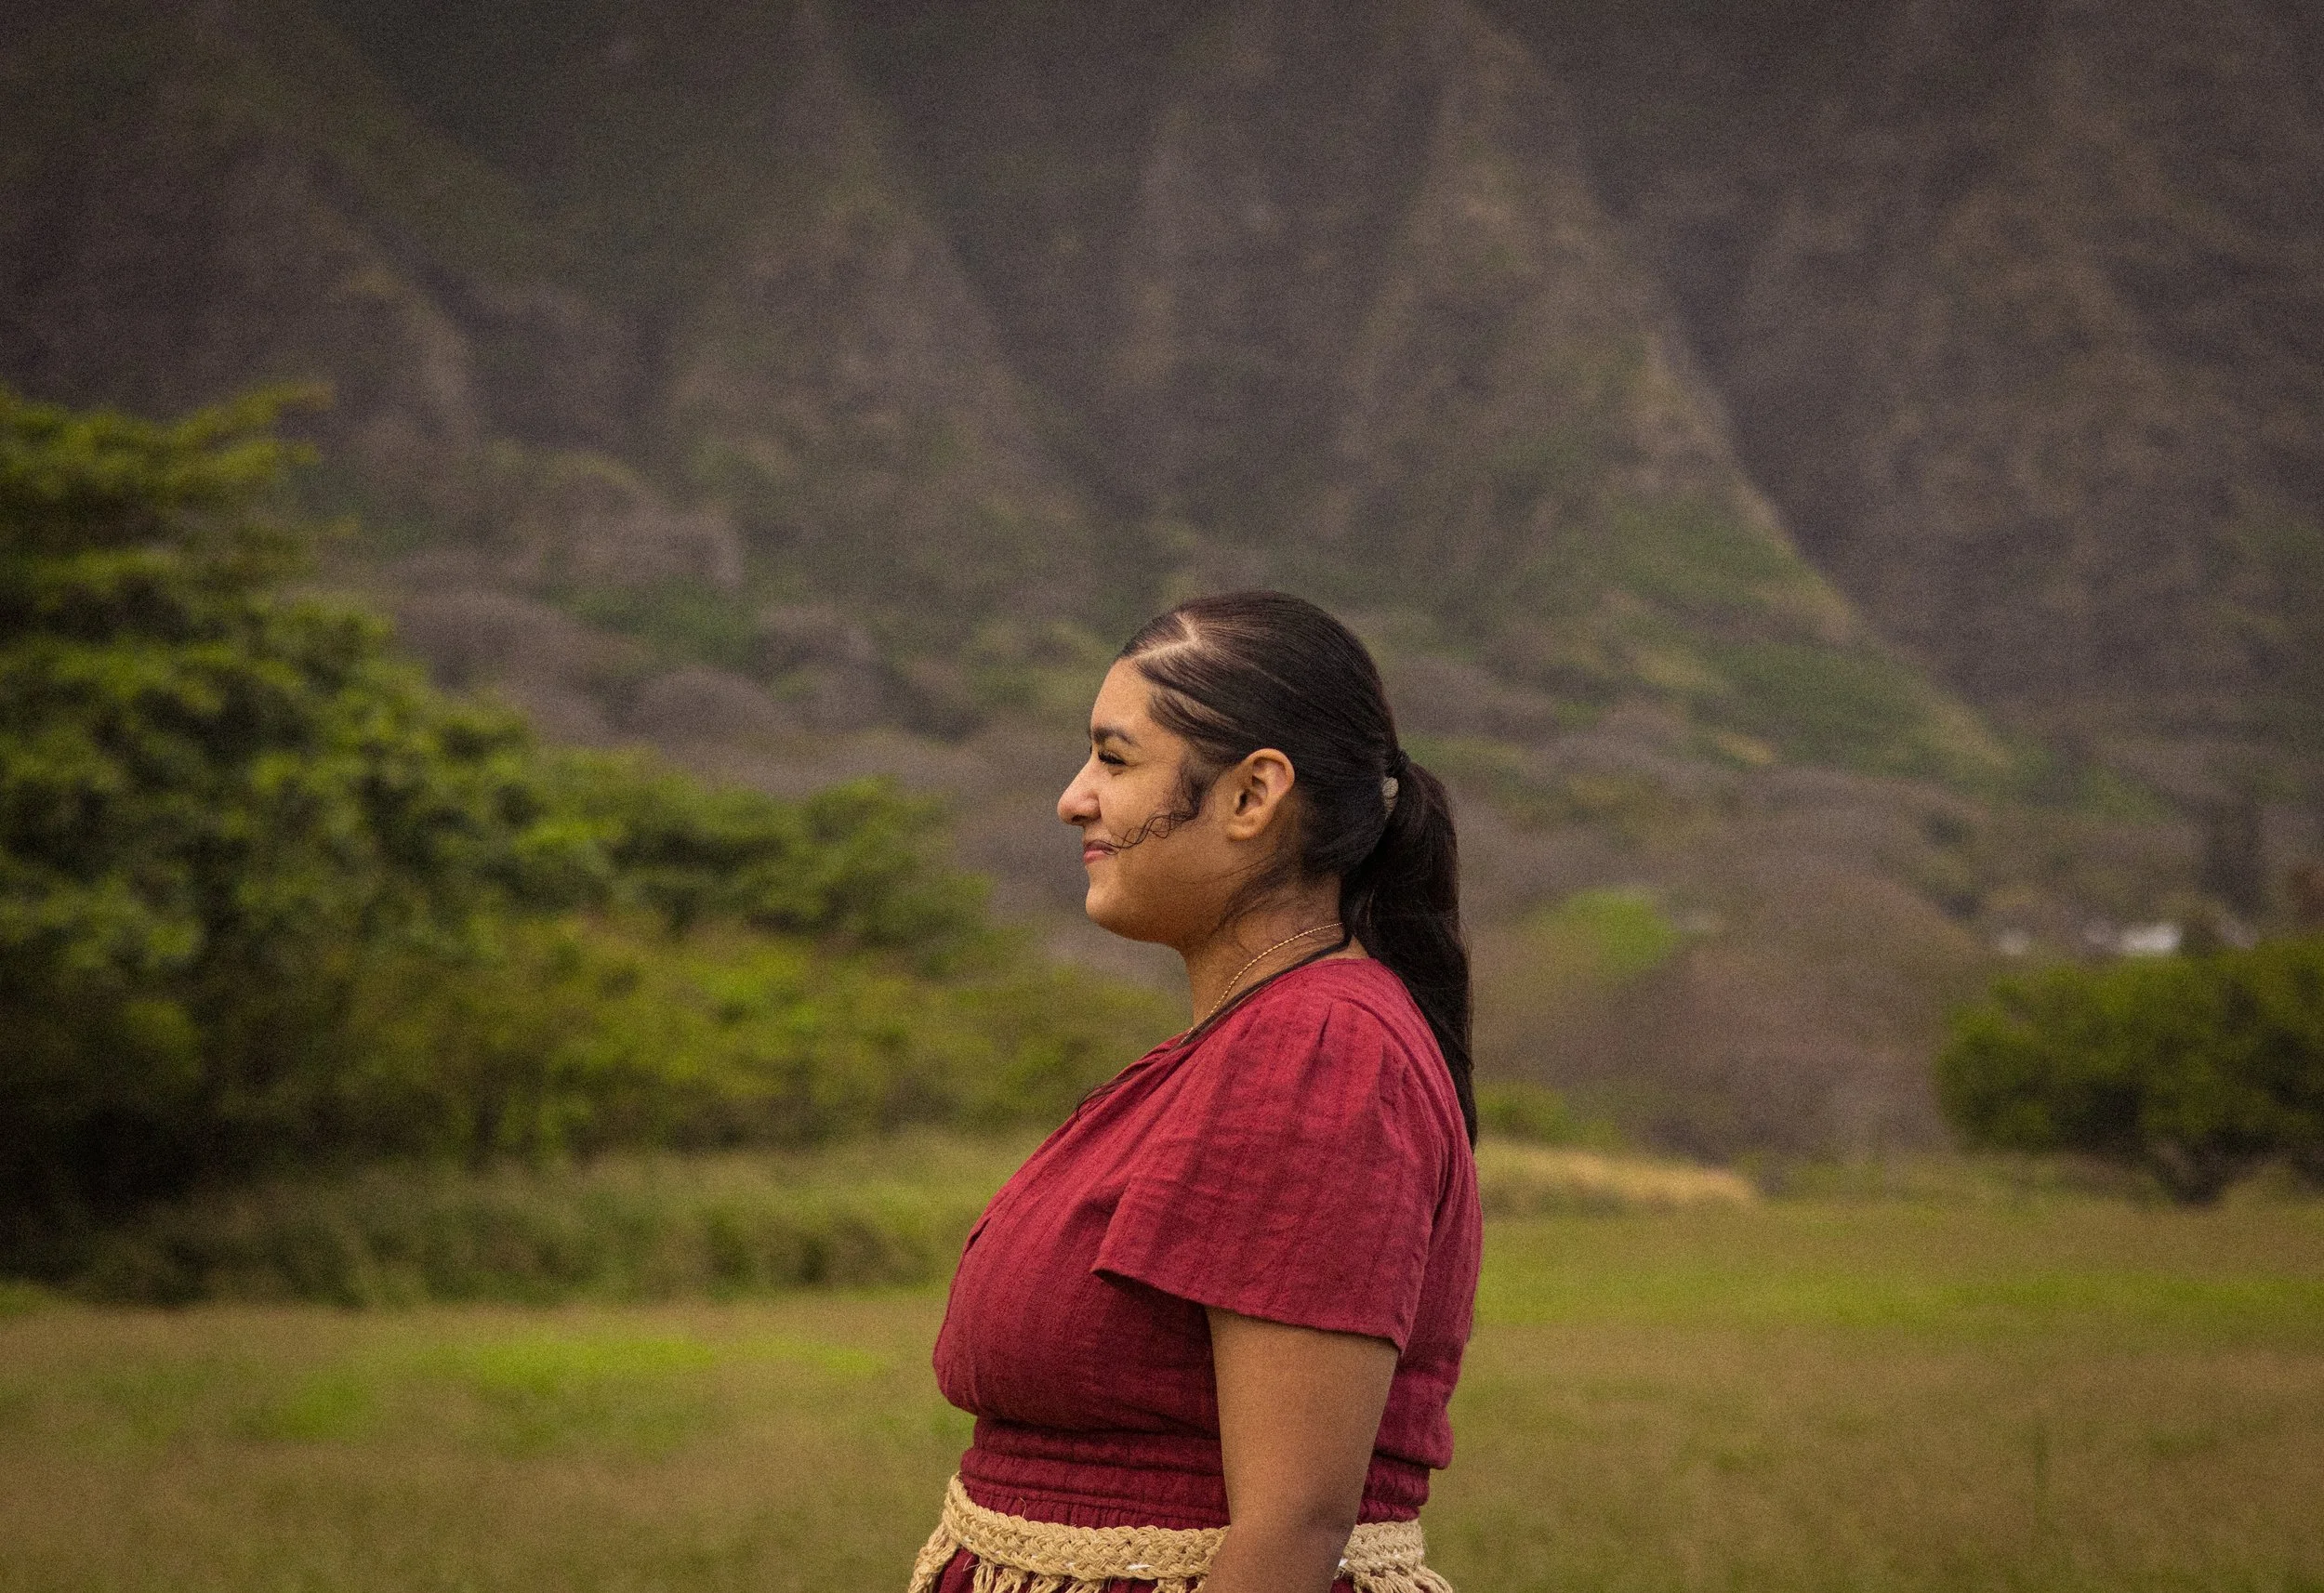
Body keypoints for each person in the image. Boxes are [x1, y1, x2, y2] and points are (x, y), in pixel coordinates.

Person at [908, 592, 1482, 1593]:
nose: (1073, 797)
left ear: (1252, 795)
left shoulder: (1319, 1050)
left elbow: (1293, 1527)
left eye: (1115, 759)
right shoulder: (1249, 1042)